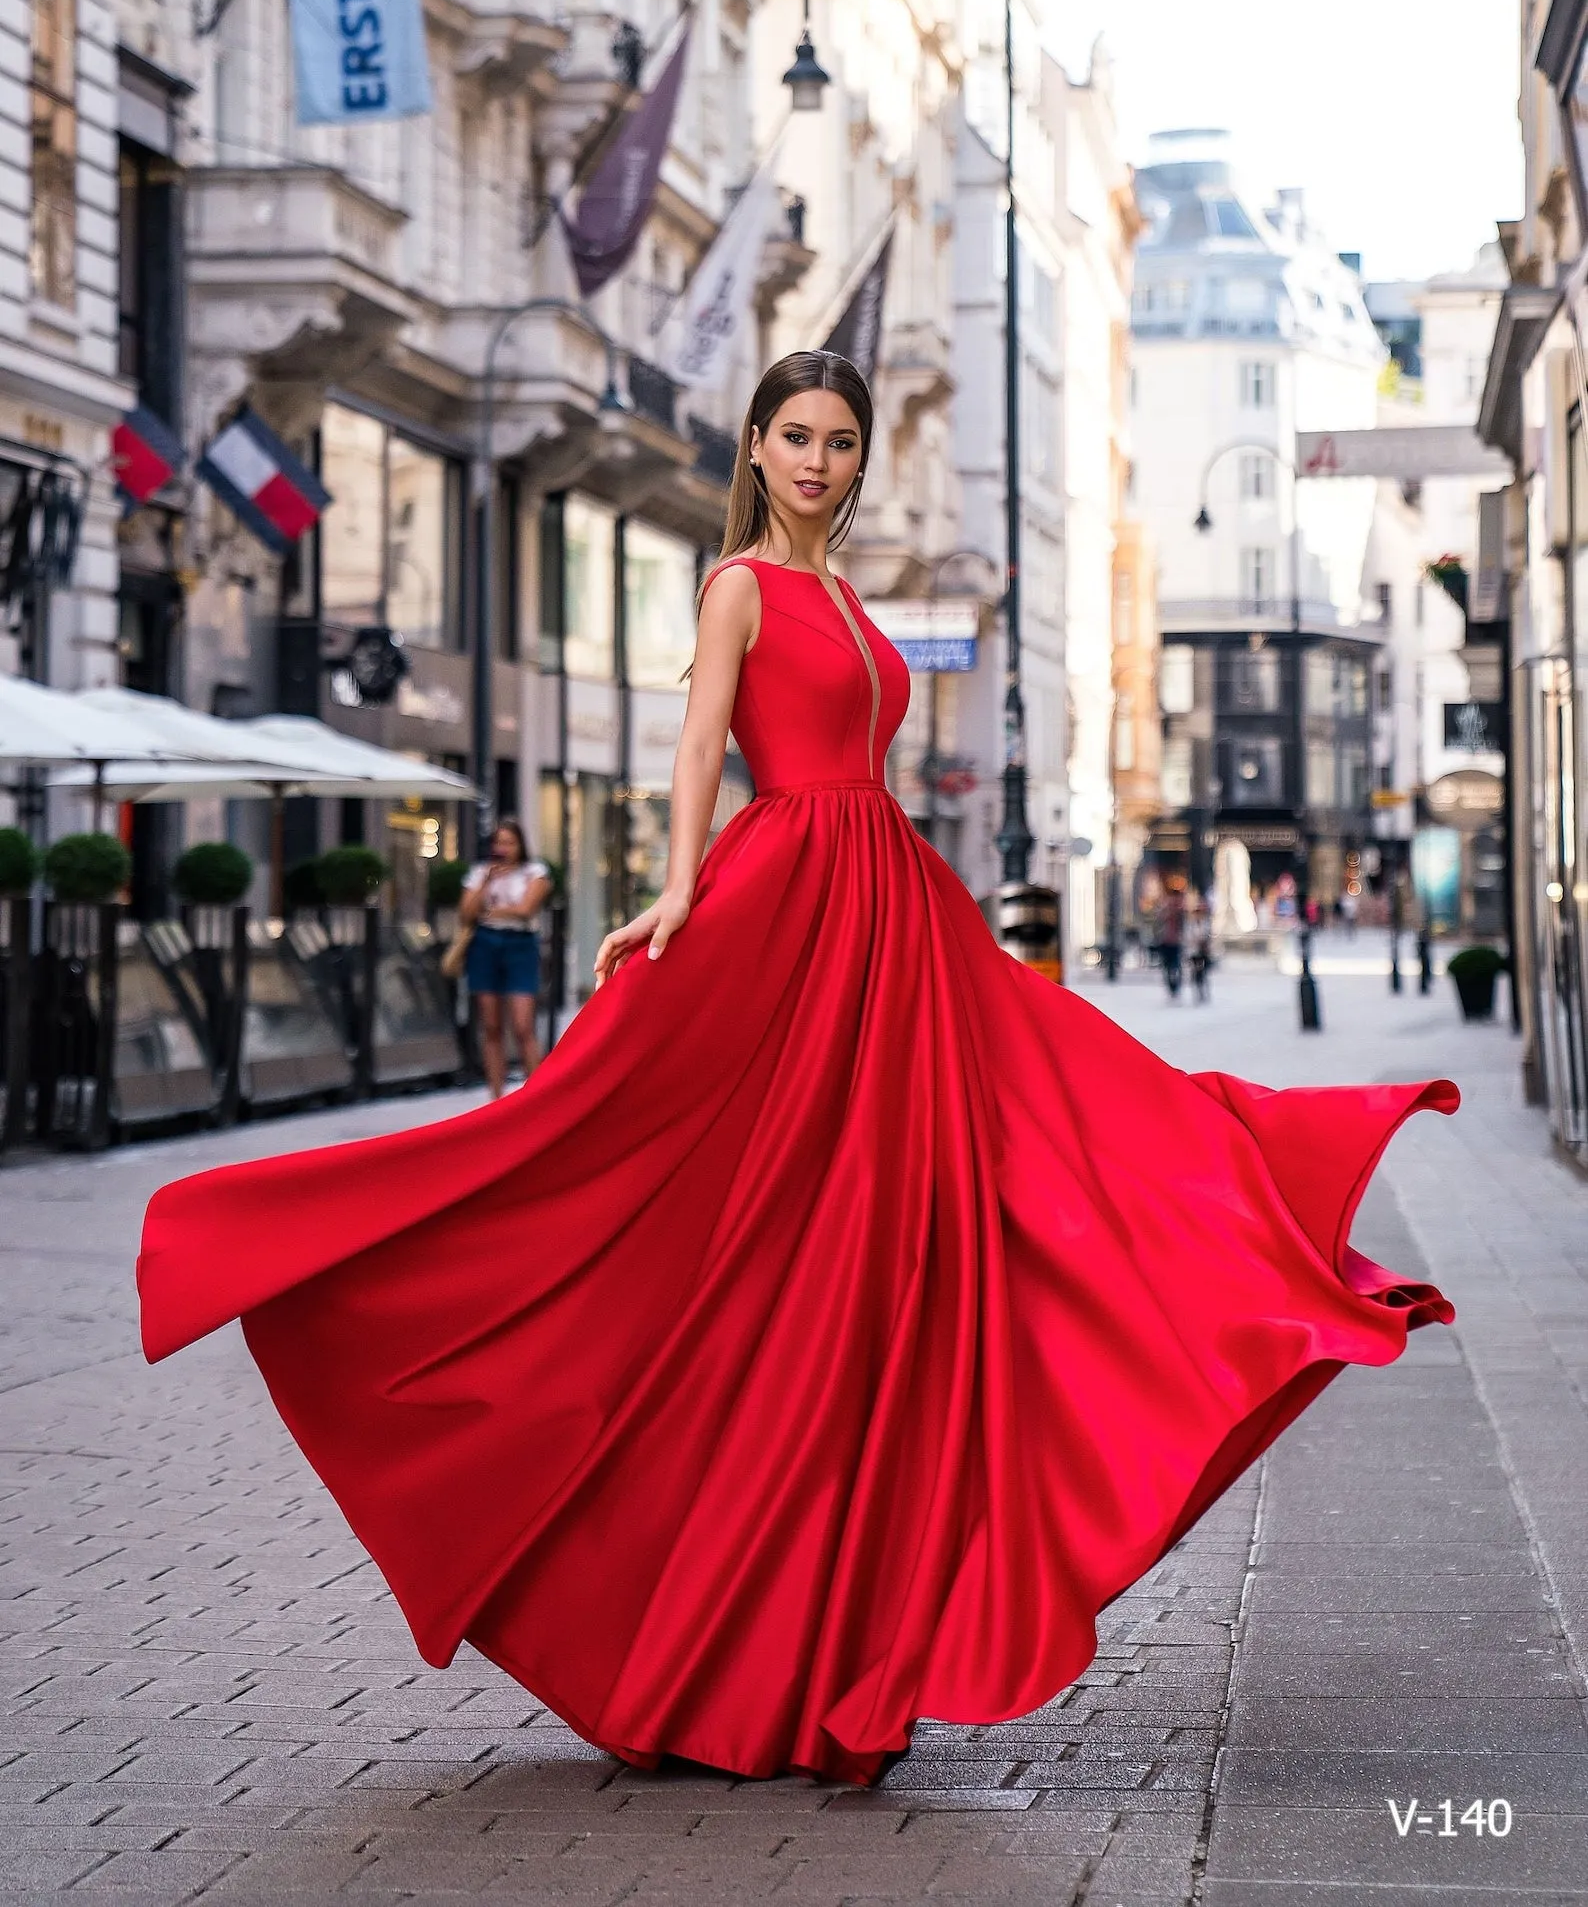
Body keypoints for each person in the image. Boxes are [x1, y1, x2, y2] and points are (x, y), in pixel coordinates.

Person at [136, 350, 1457, 1790]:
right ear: (755, 449)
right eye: (796, 436)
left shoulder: (845, 593)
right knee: (713, 1213)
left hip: (890, 909)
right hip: (792, 898)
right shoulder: (741, 585)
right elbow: (701, 746)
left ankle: (834, 1627)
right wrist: (676, 894)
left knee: (1007, 1167)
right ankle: (680, 1600)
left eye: (840, 439)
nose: (819, 459)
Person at [459, 819, 553, 1100]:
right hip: (485, 945)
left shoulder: (534, 872)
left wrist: (489, 912)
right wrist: (488, 881)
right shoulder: (480, 873)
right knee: (491, 1025)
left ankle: (535, 1096)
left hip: (520, 945)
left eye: (510, 842)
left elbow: (526, 909)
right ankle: (495, 1097)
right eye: (499, 842)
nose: (504, 848)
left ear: (521, 844)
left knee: (523, 1025)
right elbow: (466, 912)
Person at [1156, 879, 1186, 1000]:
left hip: (1174, 941)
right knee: (1169, 965)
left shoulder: (1180, 910)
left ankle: (1175, 985)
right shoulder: (1166, 908)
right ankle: (1173, 985)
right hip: (1167, 940)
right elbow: (1158, 921)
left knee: (1174, 965)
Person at [1187, 890, 1213, 1004]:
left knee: (1203, 972)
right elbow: (1187, 937)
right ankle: (1197, 990)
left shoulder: (1205, 924)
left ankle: (1203, 990)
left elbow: (1209, 936)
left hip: (1203, 951)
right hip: (1194, 951)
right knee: (1195, 972)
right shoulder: (1190, 925)